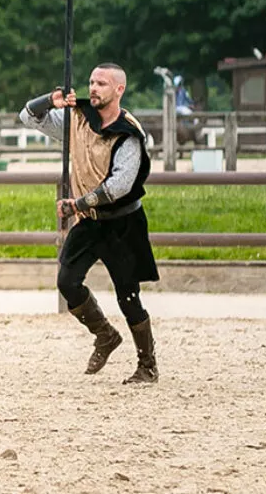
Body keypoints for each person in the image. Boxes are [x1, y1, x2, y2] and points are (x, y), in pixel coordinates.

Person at [20, 63, 160, 384]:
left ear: (119, 90)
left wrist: (76, 204)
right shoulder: (78, 118)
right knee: (68, 282)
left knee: (128, 297)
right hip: (88, 221)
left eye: (102, 83)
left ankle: (147, 365)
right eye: (91, 82)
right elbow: (28, 116)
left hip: (122, 224)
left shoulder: (129, 133)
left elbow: (119, 185)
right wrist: (49, 101)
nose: (93, 88)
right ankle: (105, 335)